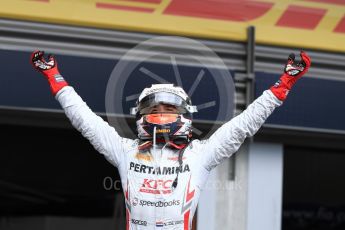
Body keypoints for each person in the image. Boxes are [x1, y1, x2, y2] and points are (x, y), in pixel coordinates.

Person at [30, 50, 311, 229]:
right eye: (154, 109)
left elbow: (243, 125)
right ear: (140, 114)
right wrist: (54, 76)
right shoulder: (124, 151)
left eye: (168, 109)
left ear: (184, 114)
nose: (161, 114)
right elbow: (85, 120)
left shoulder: (200, 154)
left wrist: (284, 83)